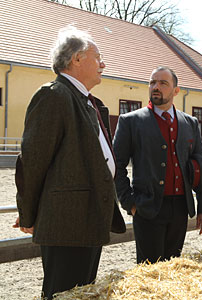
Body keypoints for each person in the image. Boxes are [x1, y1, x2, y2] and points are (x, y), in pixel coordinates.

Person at [13, 26, 126, 299]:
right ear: (76, 59)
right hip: (66, 225)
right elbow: (33, 162)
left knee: (82, 294)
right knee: (62, 294)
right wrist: (28, 214)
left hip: (87, 221)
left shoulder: (86, 101)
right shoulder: (54, 95)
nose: (103, 64)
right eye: (97, 56)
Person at [113, 66, 202, 264]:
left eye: (163, 83)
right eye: (152, 83)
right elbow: (117, 166)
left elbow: (201, 167)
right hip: (147, 208)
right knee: (149, 271)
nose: (156, 87)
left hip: (180, 209)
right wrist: (130, 203)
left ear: (176, 90)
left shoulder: (190, 123)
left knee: (173, 268)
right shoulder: (130, 121)